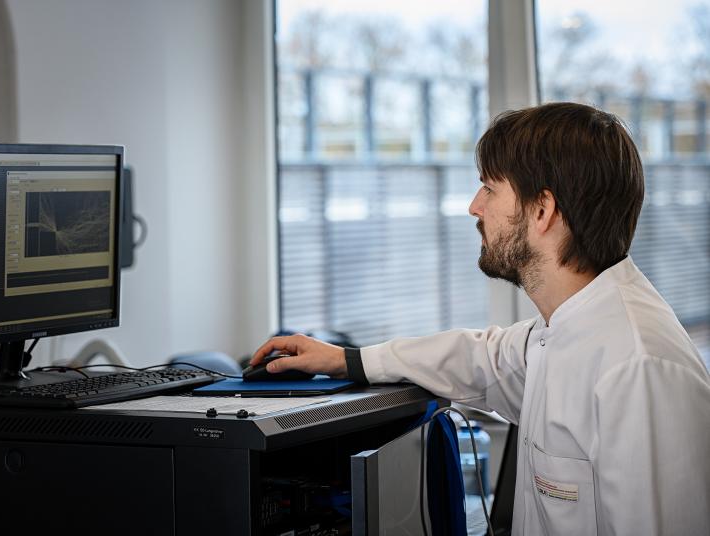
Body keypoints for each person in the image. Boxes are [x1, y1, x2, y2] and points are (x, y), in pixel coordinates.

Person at [251, 102, 710, 535]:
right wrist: (346, 361)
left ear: (542, 210)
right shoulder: (561, 330)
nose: (475, 206)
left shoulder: (639, 368)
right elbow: (478, 357)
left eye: (490, 189)